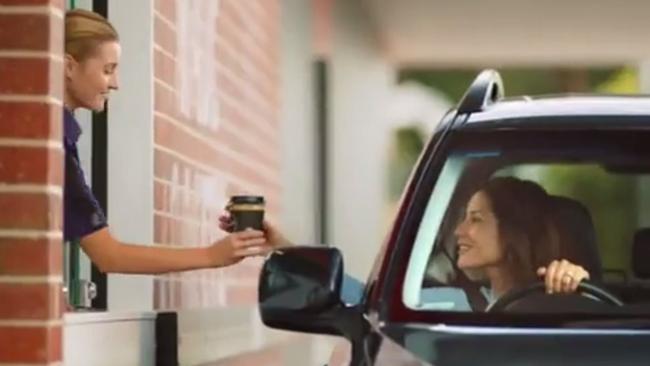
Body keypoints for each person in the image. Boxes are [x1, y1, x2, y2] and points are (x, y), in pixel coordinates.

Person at [63, 9, 273, 275]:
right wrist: (211, 255)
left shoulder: (59, 139)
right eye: (107, 70)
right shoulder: (53, 146)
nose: (115, 84)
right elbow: (109, 256)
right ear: (69, 67)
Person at [454, 177, 590, 302]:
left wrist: (579, 287)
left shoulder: (557, 295)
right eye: (465, 218)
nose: (458, 231)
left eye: (476, 219)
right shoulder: (458, 301)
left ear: (512, 230)